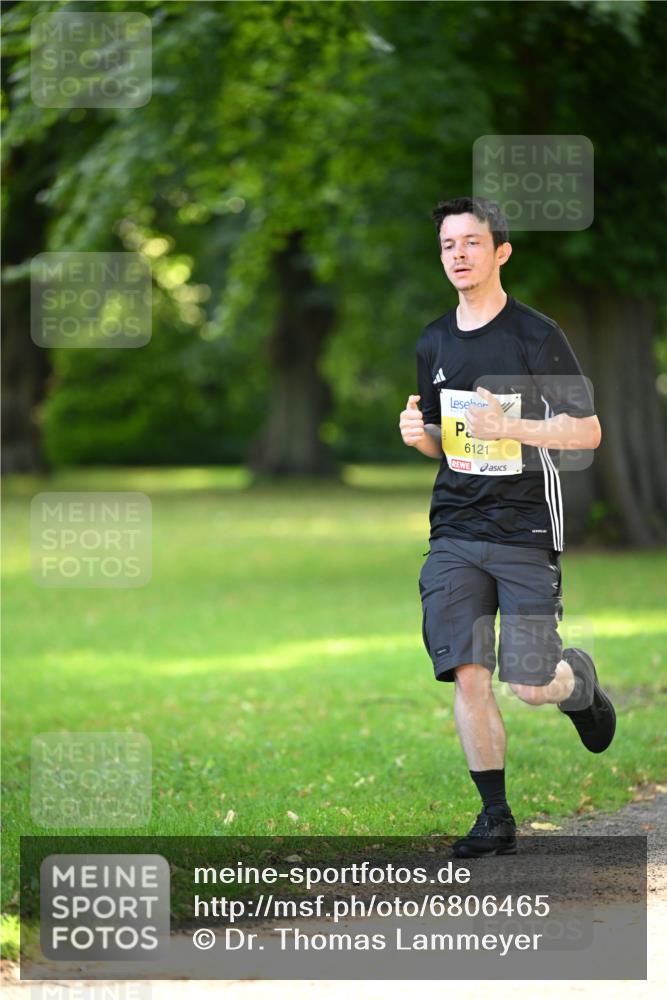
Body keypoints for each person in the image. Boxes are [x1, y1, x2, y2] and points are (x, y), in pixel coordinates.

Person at [399, 196, 615, 859]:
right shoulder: (433, 340)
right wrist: (420, 437)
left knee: (527, 683)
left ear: (500, 252)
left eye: (470, 242)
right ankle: (494, 816)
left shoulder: (534, 335)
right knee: (467, 672)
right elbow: (444, 438)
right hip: (454, 530)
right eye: (447, 246)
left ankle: (574, 682)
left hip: (523, 526)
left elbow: (585, 431)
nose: (458, 255)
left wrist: (511, 427)